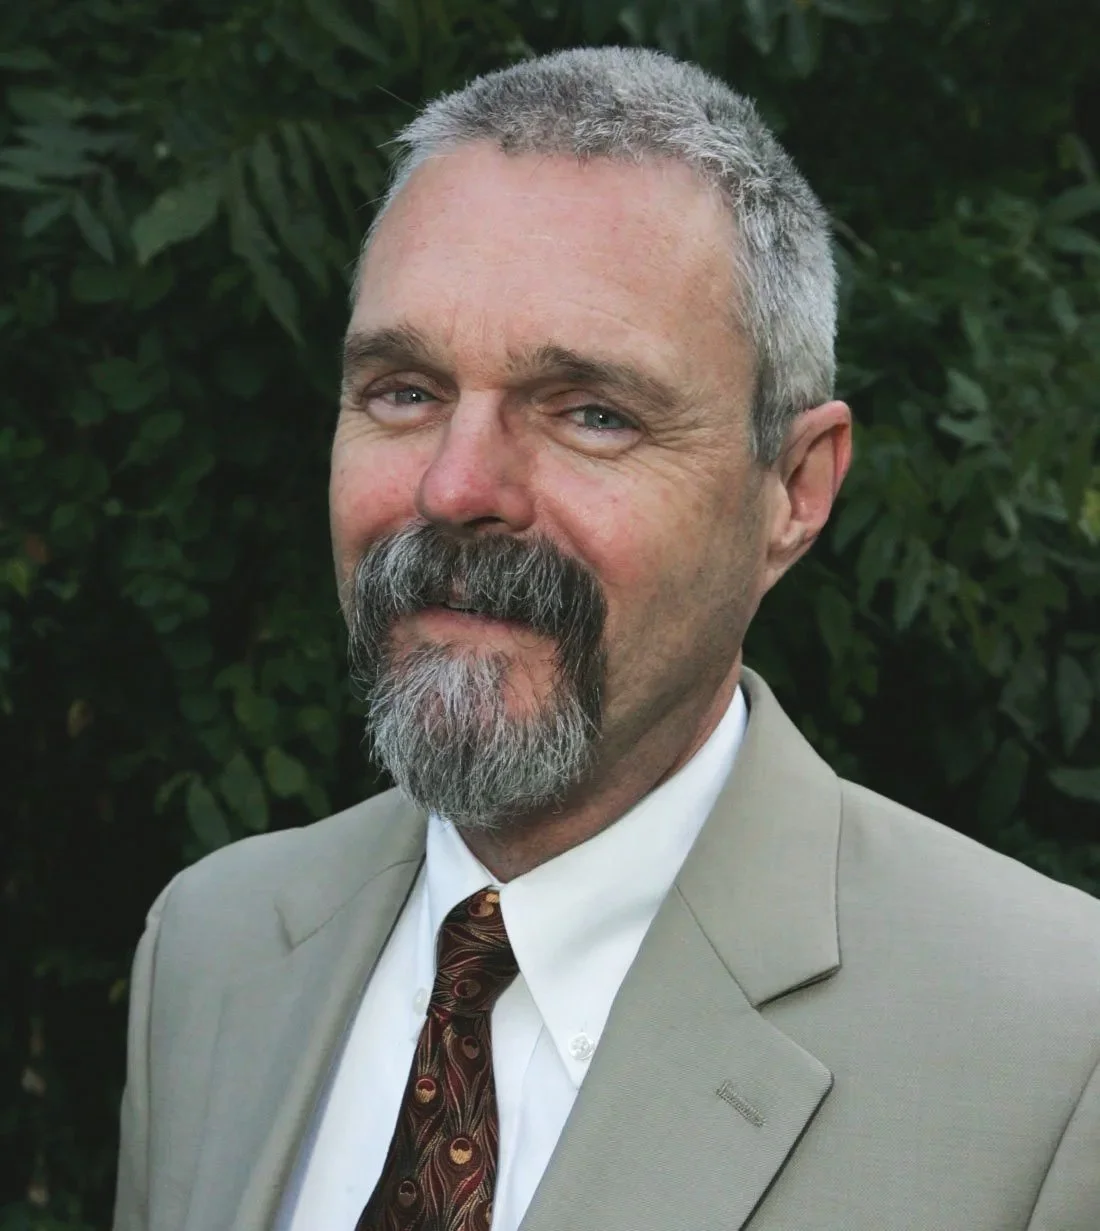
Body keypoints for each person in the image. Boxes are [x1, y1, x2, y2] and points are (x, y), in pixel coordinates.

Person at [112, 46, 1100, 1231]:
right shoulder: (212, 949)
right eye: (404, 390)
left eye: (591, 413)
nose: (454, 486)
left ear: (791, 487)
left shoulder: (1054, 1050)